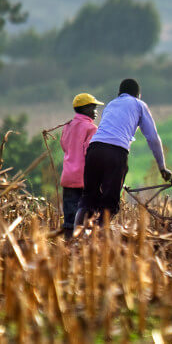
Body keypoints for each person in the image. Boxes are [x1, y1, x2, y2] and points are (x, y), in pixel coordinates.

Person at [75, 78, 172, 226]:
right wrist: (162, 167)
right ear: (138, 95)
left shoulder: (111, 104)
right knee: (109, 203)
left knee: (88, 198)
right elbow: (152, 138)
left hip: (94, 149)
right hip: (115, 152)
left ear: (119, 93)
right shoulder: (139, 104)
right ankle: (100, 237)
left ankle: (76, 239)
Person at [59, 92, 103, 236]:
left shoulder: (67, 126)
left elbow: (64, 145)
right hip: (84, 178)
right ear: (85, 109)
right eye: (94, 108)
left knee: (70, 216)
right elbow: (90, 153)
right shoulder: (91, 129)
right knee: (86, 217)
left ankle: (67, 244)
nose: (96, 112)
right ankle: (81, 248)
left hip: (68, 176)